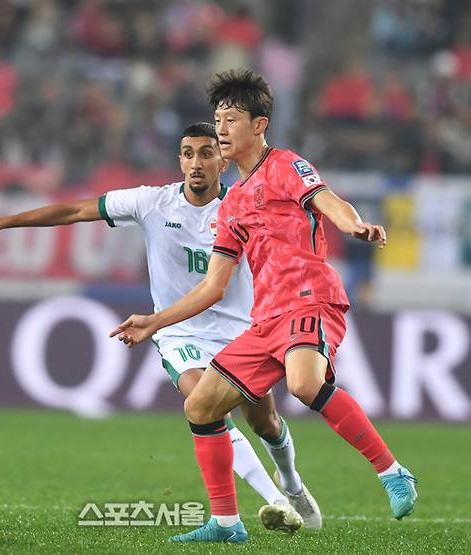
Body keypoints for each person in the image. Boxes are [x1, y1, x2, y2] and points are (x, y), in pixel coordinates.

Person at [0, 122, 322, 533]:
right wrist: (1, 222)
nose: (195, 163)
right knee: (204, 405)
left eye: (206, 153)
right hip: (181, 333)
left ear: (223, 160)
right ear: (179, 161)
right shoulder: (152, 203)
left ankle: (292, 483)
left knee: (264, 423)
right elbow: (76, 210)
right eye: (187, 153)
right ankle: (273, 505)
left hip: (242, 331)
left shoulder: (245, 206)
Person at [111, 70, 418, 544]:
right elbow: (213, 286)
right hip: (265, 318)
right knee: (200, 405)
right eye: (218, 121)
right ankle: (227, 524)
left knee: (304, 383)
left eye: (230, 120)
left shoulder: (285, 165)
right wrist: (155, 321)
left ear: (260, 124)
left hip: (309, 297)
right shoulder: (231, 205)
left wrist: (354, 225)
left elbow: (327, 200)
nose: (222, 130)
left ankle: (392, 471)